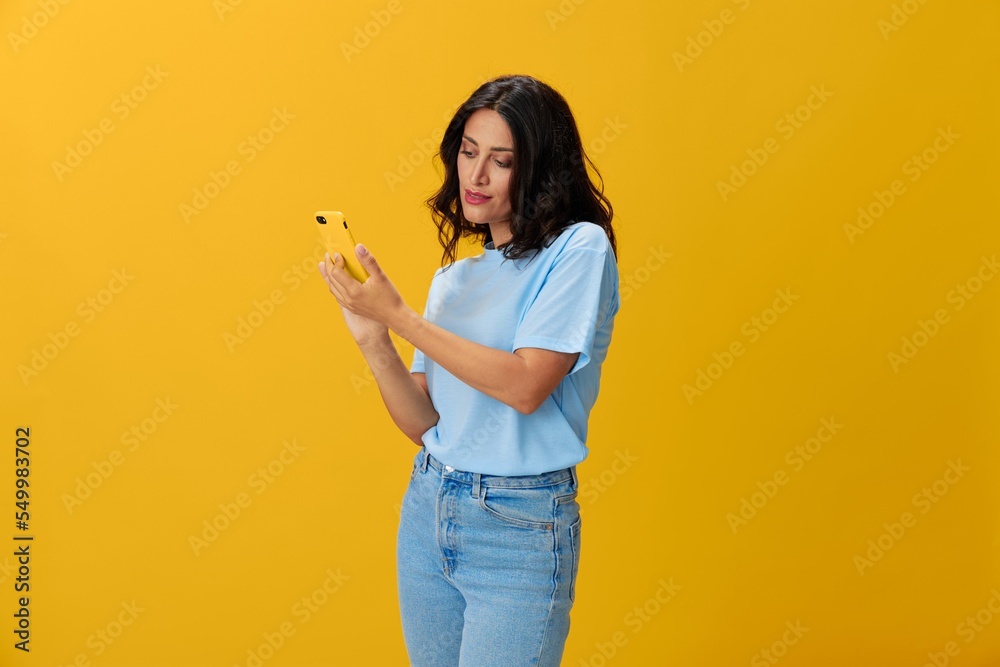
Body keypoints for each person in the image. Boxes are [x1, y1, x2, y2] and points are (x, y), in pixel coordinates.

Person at [320, 74, 619, 666]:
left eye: (501, 160)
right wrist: (375, 339)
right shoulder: (455, 280)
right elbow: (426, 423)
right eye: (468, 152)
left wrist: (402, 319)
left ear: (539, 169)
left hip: (520, 524)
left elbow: (527, 384)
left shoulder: (579, 250)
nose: (476, 176)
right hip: (430, 505)